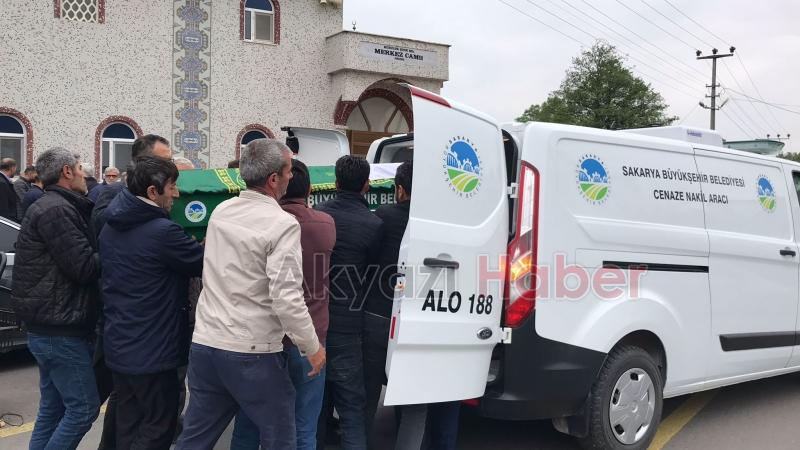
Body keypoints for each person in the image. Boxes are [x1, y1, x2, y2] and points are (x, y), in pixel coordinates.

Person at [177, 138, 326, 449]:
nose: (290, 177)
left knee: (195, 438)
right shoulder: (282, 224)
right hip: (252, 351)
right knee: (281, 436)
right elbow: (286, 295)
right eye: (287, 171)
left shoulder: (221, 212)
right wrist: (312, 346)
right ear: (273, 179)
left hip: (207, 344)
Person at [230, 159, 336, 450]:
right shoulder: (324, 224)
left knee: (250, 424)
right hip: (310, 338)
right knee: (303, 424)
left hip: (262, 340)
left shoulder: (253, 221)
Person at [100, 156, 204, 450]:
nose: (177, 194)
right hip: (154, 351)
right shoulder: (163, 233)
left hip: (120, 346)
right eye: (172, 186)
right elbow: (204, 263)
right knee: (159, 426)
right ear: (152, 192)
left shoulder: (111, 225)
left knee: (128, 424)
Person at [11, 147, 101, 449]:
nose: (84, 174)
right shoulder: (57, 210)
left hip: (48, 328)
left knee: (53, 409)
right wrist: (122, 250)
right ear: (66, 172)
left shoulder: (53, 206)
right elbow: (85, 267)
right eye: (78, 168)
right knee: (83, 410)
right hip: (60, 330)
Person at [92, 134, 172, 450]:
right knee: (145, 414)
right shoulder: (113, 201)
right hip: (134, 321)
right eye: (164, 159)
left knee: (134, 409)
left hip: (145, 324)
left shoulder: (146, 206)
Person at [315, 155, 383, 450]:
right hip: (349, 324)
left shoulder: (317, 215)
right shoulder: (374, 224)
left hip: (314, 322)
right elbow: (375, 274)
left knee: (315, 403)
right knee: (352, 406)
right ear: (366, 186)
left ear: (336, 182)